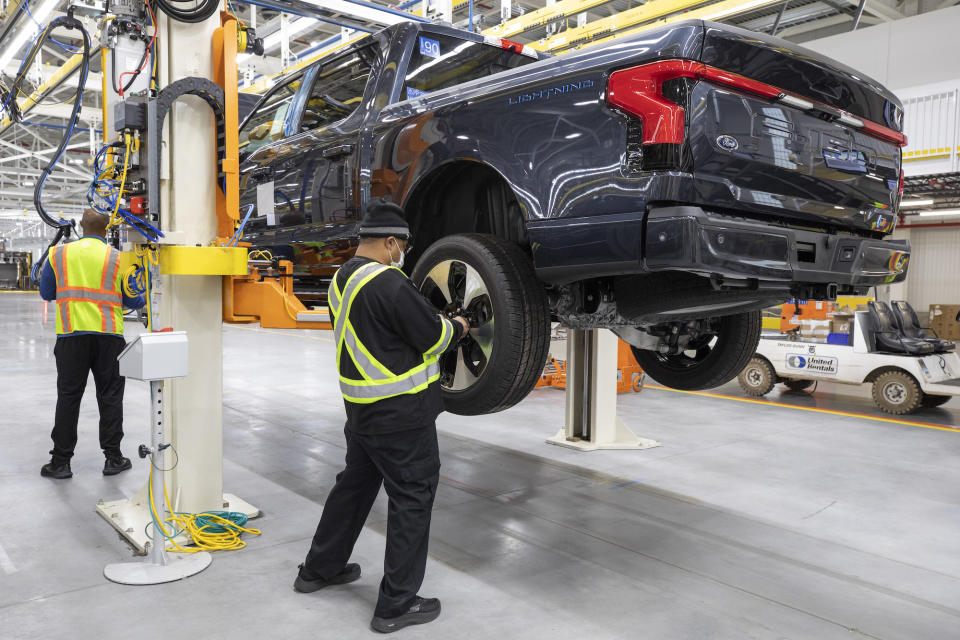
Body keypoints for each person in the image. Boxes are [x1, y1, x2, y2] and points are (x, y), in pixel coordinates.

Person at [294, 200, 469, 634]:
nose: (403, 253)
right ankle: (397, 605)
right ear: (391, 242)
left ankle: (319, 569)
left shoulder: (342, 278)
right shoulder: (390, 284)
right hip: (402, 415)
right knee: (412, 497)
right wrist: (460, 326)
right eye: (403, 246)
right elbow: (433, 338)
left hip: (362, 412)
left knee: (354, 487)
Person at [38, 210, 146, 479]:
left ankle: (61, 462)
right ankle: (113, 458)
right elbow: (135, 300)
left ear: (82, 226)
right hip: (109, 338)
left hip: (71, 336)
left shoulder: (59, 255)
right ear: (107, 229)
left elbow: (46, 292)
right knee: (110, 397)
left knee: (68, 397)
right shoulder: (118, 258)